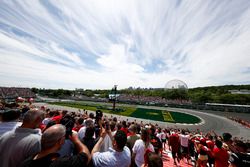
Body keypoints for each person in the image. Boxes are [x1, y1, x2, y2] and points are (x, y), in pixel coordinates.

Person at [21, 124, 91, 167]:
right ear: (60, 141)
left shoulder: (26, 162)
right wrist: (76, 140)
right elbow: (86, 156)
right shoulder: (62, 163)